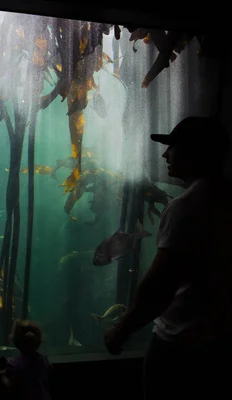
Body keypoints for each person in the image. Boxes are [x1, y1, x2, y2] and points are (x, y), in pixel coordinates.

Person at [103, 116, 232, 399]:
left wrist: (122, 329)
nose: (164, 154)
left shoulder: (187, 207)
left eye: (171, 146)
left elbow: (161, 285)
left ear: (192, 151)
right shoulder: (226, 198)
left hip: (182, 345)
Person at [0, 319, 52, 400]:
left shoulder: (15, 364)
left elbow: (11, 387)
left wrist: (2, 376)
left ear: (15, 342)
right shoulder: (43, 360)